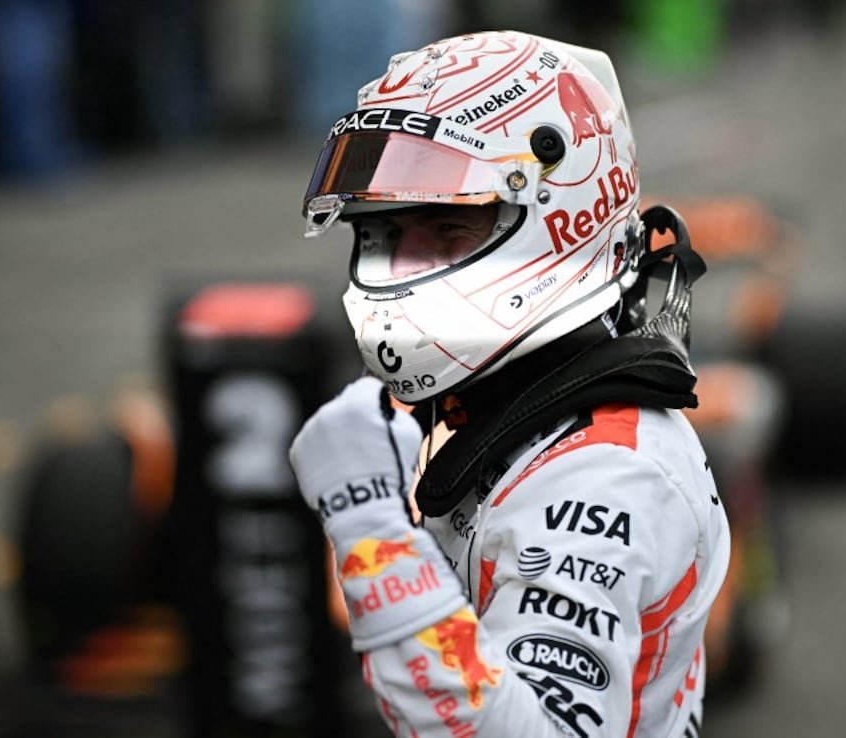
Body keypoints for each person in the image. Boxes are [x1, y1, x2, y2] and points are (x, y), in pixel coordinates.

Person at [289, 30, 729, 738]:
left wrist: (371, 528)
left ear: (555, 222)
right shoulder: (505, 403)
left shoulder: (603, 479)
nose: (403, 265)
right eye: (385, 234)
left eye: (445, 230)